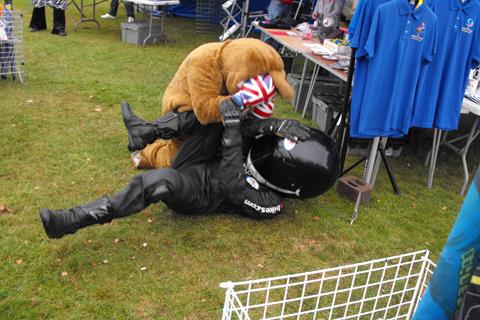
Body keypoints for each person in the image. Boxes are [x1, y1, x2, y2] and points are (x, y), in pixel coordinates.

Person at [39, 99, 340, 239]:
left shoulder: (271, 204)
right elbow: (246, 129)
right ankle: (144, 132)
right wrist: (271, 124)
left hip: (199, 194)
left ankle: (74, 219)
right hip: (202, 162)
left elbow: (228, 181)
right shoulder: (268, 163)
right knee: (208, 114)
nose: (268, 148)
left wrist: (235, 130)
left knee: (158, 182)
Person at [129, 38, 294, 170]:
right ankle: (146, 154)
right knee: (179, 164)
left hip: (217, 114)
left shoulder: (244, 58)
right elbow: (205, 112)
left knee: (228, 149)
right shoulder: (203, 60)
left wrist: (260, 108)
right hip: (186, 113)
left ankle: (152, 135)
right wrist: (242, 99)